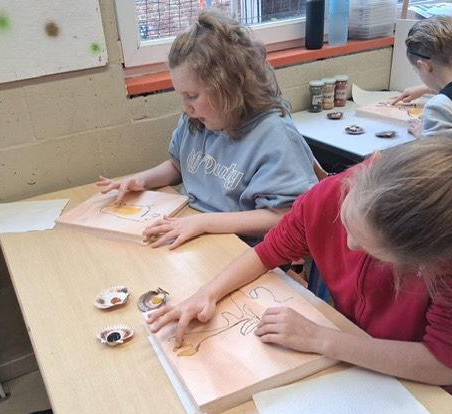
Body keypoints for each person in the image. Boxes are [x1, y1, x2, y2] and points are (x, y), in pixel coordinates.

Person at [147, 125, 452, 397]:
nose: (349, 243)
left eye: (369, 248)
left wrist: (320, 338)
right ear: (370, 166)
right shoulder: (333, 193)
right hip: (356, 342)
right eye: (348, 222)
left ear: (423, 261)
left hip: (421, 383)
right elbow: (270, 251)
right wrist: (208, 292)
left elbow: (443, 365)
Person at [97, 9, 319, 249]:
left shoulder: (273, 136)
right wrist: (141, 180)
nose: (185, 107)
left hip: (241, 247)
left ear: (229, 88)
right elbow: (178, 166)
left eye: (192, 96)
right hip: (196, 229)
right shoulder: (198, 119)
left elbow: (285, 216)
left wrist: (205, 222)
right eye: (182, 96)